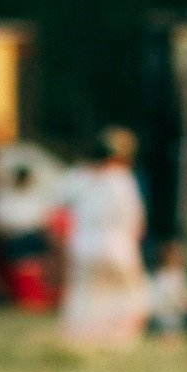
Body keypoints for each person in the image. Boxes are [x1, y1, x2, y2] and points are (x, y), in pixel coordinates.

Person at [59, 127, 149, 347]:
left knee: (87, 296)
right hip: (115, 244)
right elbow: (134, 219)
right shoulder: (121, 179)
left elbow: (56, 204)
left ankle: (84, 337)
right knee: (129, 295)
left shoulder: (79, 176)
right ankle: (120, 338)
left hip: (83, 244)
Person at [0, 157, 58, 309]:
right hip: (13, 237)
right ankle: (29, 296)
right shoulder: (3, 197)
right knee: (26, 255)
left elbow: (46, 219)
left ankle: (53, 294)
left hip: (36, 234)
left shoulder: (36, 196)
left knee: (55, 248)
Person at [147, 239, 187, 336]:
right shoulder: (161, 278)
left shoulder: (180, 275)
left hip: (180, 315)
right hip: (166, 316)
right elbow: (158, 302)